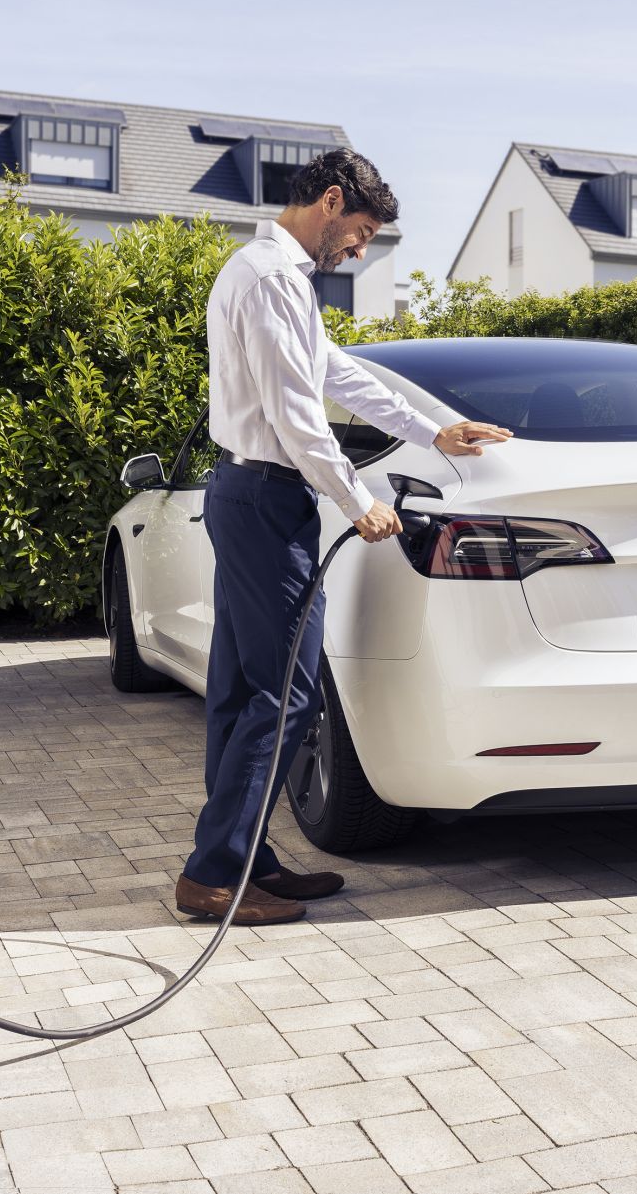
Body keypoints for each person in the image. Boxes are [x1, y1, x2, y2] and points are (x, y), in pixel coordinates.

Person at [174, 148, 510, 925]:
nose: (359, 250)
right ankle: (213, 874)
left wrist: (432, 430)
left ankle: (243, 858)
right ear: (330, 201)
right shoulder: (271, 279)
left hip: (253, 495)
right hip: (265, 497)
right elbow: (296, 413)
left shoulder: (275, 277)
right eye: (360, 232)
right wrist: (358, 499)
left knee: (241, 690)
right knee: (287, 693)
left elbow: (335, 373)